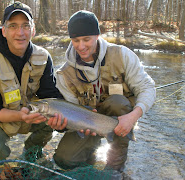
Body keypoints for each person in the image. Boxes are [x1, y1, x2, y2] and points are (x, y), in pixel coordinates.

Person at [49, 10, 156, 178]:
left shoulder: (122, 55)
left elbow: (148, 88)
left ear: (97, 35)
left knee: (118, 102)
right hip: (86, 124)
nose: (81, 46)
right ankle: (89, 160)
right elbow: (71, 110)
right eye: (76, 40)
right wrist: (61, 125)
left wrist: (133, 116)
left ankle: (115, 167)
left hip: (120, 121)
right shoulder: (64, 74)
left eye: (86, 39)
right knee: (63, 159)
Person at [0, 1, 64, 166]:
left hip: (31, 112)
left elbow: (49, 96)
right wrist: (20, 115)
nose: (20, 33)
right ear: (4, 31)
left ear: (33, 30)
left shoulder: (44, 57)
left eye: (25, 26)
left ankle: (30, 152)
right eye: (13, 26)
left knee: (52, 119)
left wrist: (61, 122)